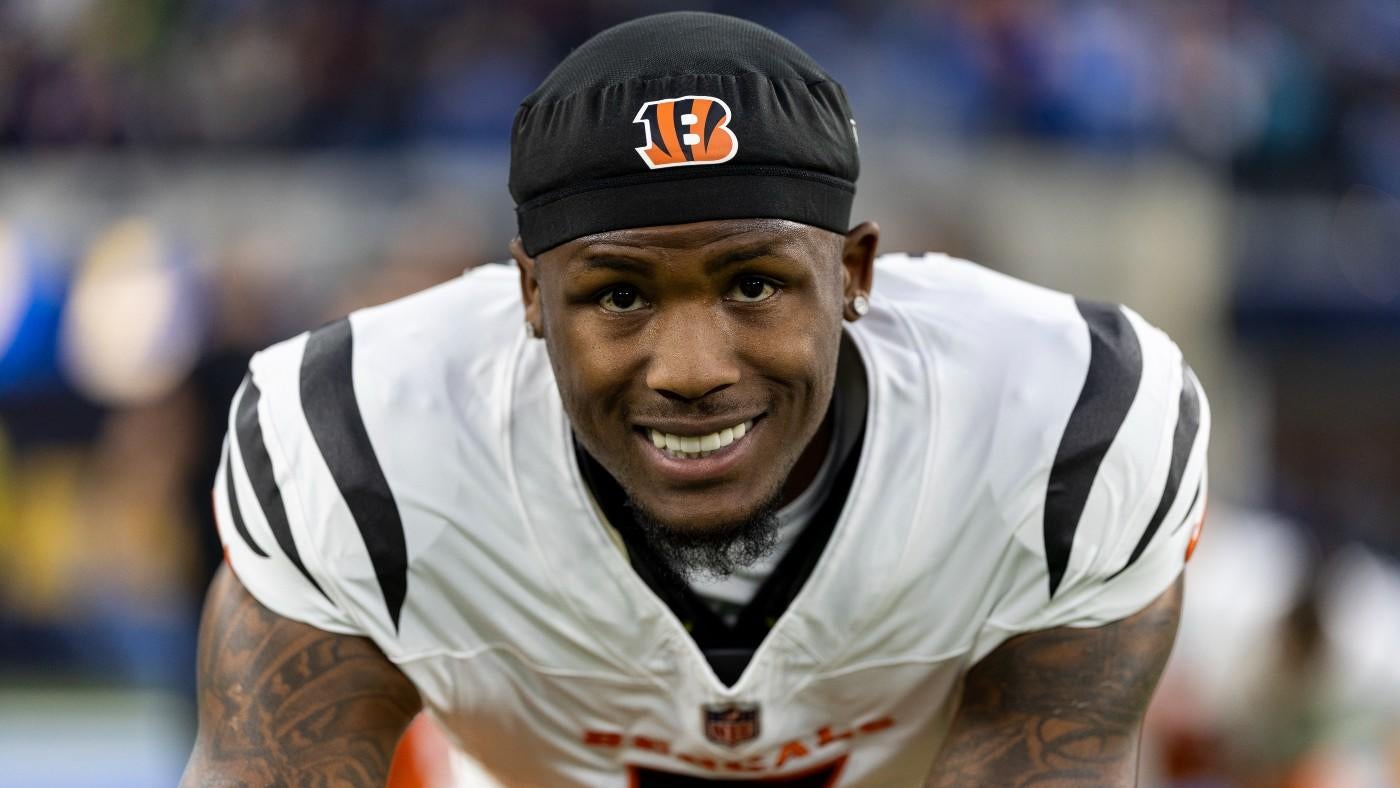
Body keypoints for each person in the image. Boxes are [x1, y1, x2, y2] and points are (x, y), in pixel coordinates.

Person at [182, 12, 1210, 787]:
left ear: (855, 274)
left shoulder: (1063, 420)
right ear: (530, 295)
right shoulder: (362, 440)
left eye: (754, 284)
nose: (689, 368)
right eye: (619, 295)